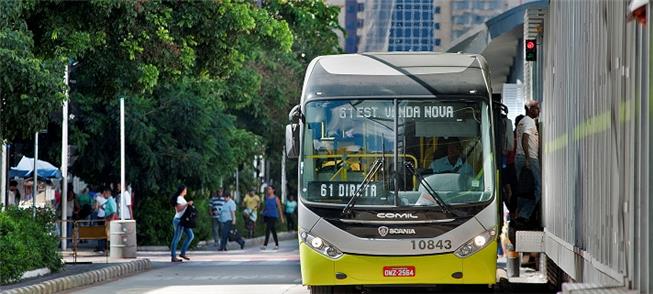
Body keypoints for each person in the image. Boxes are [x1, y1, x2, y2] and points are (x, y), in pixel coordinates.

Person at [515, 100, 541, 221]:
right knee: (537, 188)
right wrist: (528, 158)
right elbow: (525, 139)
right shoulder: (529, 122)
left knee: (524, 189)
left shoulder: (521, 122)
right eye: (536, 108)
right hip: (529, 157)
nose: (538, 110)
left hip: (519, 157)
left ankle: (520, 214)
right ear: (529, 109)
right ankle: (523, 215)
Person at [170, 185, 194, 262]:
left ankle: (183, 252)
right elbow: (178, 208)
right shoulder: (179, 198)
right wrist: (187, 204)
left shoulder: (181, 198)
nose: (186, 191)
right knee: (177, 237)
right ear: (183, 190)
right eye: (185, 189)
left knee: (190, 235)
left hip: (183, 220)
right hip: (178, 220)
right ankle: (173, 256)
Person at [260, 185, 285, 250]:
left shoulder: (276, 198)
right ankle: (277, 244)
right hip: (267, 215)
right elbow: (265, 207)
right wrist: (262, 211)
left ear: (273, 190)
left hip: (273, 216)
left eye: (270, 189)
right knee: (273, 230)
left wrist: (282, 217)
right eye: (268, 189)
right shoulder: (267, 198)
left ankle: (265, 245)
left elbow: (279, 208)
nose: (269, 190)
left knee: (268, 229)